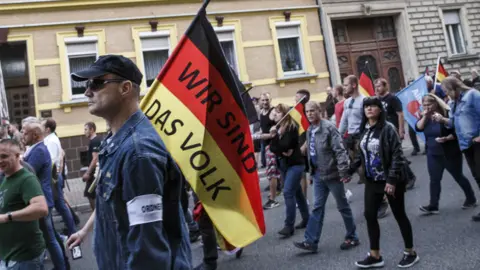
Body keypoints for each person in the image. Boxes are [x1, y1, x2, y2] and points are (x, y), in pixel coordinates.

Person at [65, 54, 191, 269]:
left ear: (125, 88)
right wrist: (85, 230)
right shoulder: (115, 139)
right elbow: (114, 201)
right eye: (87, 84)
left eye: (96, 83)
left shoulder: (137, 152)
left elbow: (148, 249)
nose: (87, 91)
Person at [349, 97, 419, 268]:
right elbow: (361, 154)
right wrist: (350, 170)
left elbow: (397, 155)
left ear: (380, 109)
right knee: (370, 215)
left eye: (373, 106)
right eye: (366, 107)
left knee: (399, 214)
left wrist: (392, 180)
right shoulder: (365, 129)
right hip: (373, 181)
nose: (369, 109)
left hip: (390, 180)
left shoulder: (388, 129)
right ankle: (375, 255)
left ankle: (410, 252)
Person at [293, 101, 359, 253]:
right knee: (317, 208)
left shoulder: (329, 128)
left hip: (333, 174)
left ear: (319, 111)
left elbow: (340, 150)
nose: (309, 114)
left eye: (312, 111)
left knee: (342, 206)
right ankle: (311, 241)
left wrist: (343, 172)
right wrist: (311, 172)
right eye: (307, 111)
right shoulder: (310, 130)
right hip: (318, 176)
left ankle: (352, 236)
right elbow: (312, 153)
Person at [416, 94, 477, 214]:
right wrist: (425, 117)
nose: (427, 107)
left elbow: (457, 130)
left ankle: (471, 198)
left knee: (458, 176)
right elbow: (418, 128)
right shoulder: (424, 116)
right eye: (424, 105)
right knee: (434, 179)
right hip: (433, 152)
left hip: (449, 151)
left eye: (429, 104)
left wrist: (448, 138)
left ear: (436, 103)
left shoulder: (446, 114)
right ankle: (433, 205)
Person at [22, 120, 69, 270]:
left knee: (49, 239)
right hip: (44, 199)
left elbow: (27, 173)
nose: (22, 135)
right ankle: (63, 264)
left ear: (35, 135)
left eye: (25, 132)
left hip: (42, 200)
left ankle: (62, 266)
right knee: (51, 236)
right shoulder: (36, 148)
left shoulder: (39, 150)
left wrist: (18, 160)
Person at [432, 77, 480, 222]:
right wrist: (442, 119)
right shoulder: (453, 102)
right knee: (477, 176)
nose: (446, 95)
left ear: (454, 88)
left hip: (477, 140)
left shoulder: (473, 95)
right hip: (465, 143)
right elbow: (453, 123)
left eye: (446, 91)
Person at [0, 139, 49, 270]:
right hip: (9, 256)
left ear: (17, 156)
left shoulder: (26, 179)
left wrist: (7, 217)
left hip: (24, 258)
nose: (0, 160)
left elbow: (41, 208)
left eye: (4, 156)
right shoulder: (6, 177)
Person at [270, 103, 310, 237]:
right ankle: (306, 218)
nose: (275, 114)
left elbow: (285, 145)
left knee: (288, 192)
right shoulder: (278, 128)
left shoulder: (292, 127)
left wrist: (277, 141)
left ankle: (289, 225)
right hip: (284, 165)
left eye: (278, 112)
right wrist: (280, 147)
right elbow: (273, 148)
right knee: (297, 192)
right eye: (275, 112)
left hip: (295, 164)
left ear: (285, 114)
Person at [375, 78, 417, 192]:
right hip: (384, 131)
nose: (377, 88)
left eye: (379, 86)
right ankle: (400, 177)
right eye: (376, 86)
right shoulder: (378, 100)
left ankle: (410, 177)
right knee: (392, 156)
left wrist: (401, 130)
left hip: (394, 130)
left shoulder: (392, 98)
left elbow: (400, 114)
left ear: (385, 86)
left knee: (397, 155)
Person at [42, 118, 76, 237]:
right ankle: (72, 229)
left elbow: (50, 161)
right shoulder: (49, 139)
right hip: (54, 176)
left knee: (60, 205)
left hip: (53, 177)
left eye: (42, 126)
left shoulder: (50, 141)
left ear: (47, 129)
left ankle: (72, 230)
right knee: (60, 205)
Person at [339, 75, 366, 184]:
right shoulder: (347, 102)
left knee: (361, 163)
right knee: (355, 163)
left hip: (361, 136)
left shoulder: (364, 100)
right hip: (351, 137)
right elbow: (344, 120)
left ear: (354, 85)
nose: (344, 88)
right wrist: (338, 135)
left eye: (346, 85)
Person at [295, 89, 310, 205]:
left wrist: (305, 144)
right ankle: (304, 199)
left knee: (323, 173)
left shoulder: (308, 111)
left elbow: (311, 130)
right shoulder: (296, 112)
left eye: (297, 98)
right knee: (302, 174)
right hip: (299, 146)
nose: (295, 100)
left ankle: (342, 192)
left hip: (309, 145)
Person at [82, 122, 101, 211]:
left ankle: (97, 215)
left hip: (94, 174)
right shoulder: (93, 141)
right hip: (93, 174)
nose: (84, 132)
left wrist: (87, 173)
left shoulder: (95, 141)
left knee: (90, 194)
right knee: (90, 195)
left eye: (86, 129)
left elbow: (95, 159)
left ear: (92, 129)